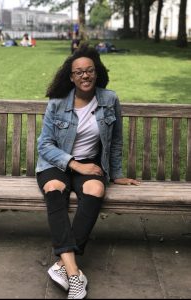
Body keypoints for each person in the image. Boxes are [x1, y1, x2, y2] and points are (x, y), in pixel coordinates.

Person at [36, 44, 139, 299]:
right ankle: (74, 274)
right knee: (54, 188)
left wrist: (115, 174)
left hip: (91, 162)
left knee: (96, 188)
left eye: (89, 71)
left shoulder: (109, 99)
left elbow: (115, 141)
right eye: (79, 72)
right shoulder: (58, 103)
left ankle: (62, 265)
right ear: (71, 76)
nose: (85, 76)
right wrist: (74, 164)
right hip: (56, 163)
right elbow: (45, 145)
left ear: (96, 72)